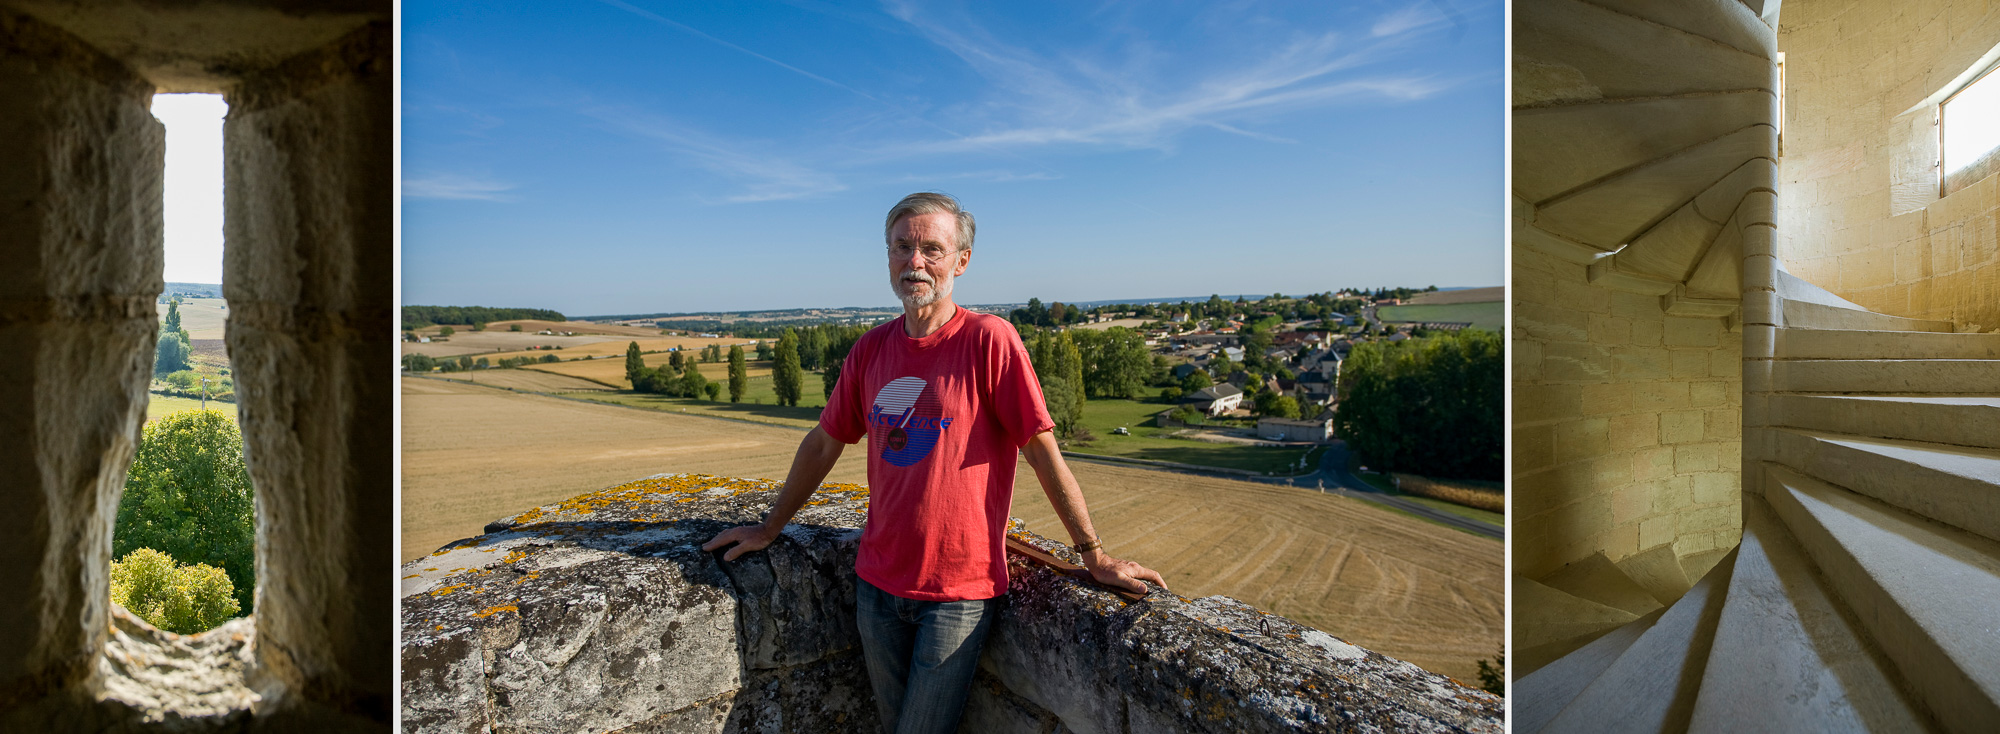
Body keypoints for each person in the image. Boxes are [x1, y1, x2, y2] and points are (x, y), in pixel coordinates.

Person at [702, 192, 1167, 734]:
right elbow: (823, 443)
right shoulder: (870, 351)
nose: (914, 262)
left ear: (961, 261)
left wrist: (1094, 555)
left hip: (958, 595)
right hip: (876, 584)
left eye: (931, 249)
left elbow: (1042, 453)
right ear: (888, 256)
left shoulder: (989, 340)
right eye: (902, 247)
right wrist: (769, 527)